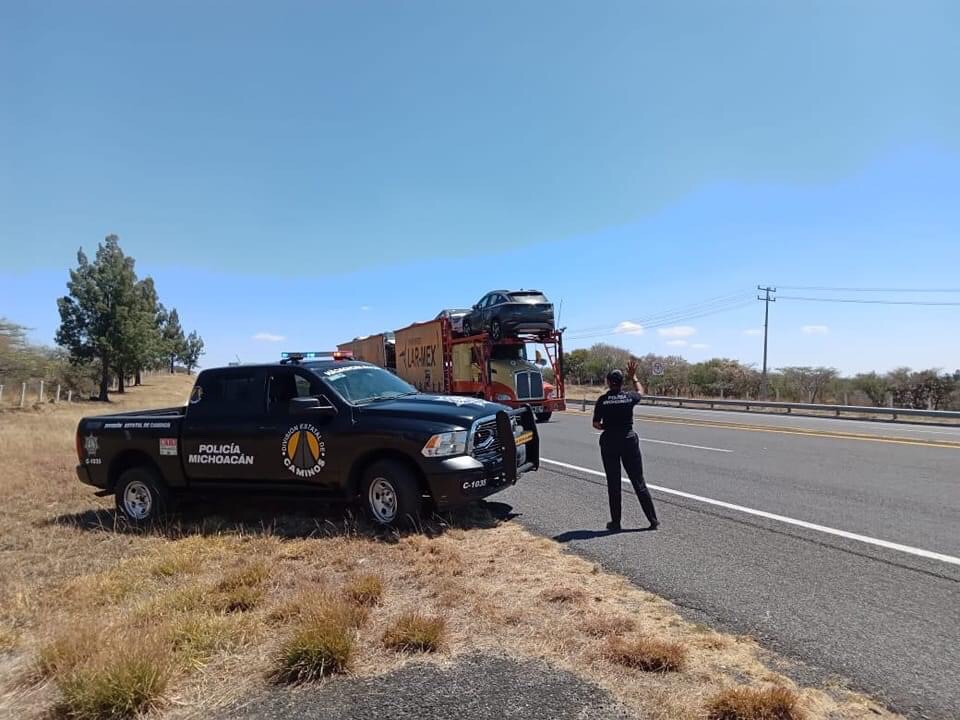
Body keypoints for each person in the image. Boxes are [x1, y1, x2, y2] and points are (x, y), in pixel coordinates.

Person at [592, 360, 659, 532]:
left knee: (613, 483)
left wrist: (608, 426)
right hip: (629, 440)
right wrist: (634, 377)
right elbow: (640, 392)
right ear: (622, 383)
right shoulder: (629, 397)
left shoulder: (603, 400)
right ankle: (653, 520)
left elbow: (596, 424)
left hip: (609, 443)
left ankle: (616, 522)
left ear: (608, 382)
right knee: (638, 481)